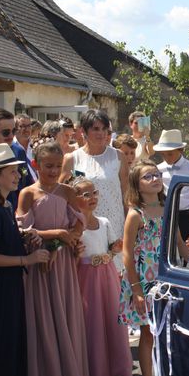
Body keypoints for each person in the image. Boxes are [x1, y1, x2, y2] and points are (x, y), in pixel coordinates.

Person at [118, 160, 189, 376]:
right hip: (143, 278)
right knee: (148, 332)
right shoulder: (135, 214)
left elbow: (179, 241)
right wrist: (136, 290)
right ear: (137, 184)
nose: (155, 179)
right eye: (148, 177)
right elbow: (127, 253)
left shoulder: (167, 207)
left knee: (168, 328)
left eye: (156, 175)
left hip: (166, 275)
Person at [18, 140, 91, 376]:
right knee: (44, 322)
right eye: (48, 166)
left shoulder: (67, 191)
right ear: (36, 165)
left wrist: (64, 240)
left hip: (63, 265)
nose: (53, 171)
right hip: (40, 265)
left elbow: (79, 223)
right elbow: (23, 231)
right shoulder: (27, 193)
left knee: (68, 317)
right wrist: (56, 234)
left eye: (58, 166)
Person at [0, 144, 49, 376]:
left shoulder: (4, 206)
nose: (19, 176)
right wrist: (25, 260)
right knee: (3, 345)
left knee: (13, 343)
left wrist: (24, 236)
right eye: (12, 172)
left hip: (9, 281)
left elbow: (5, 240)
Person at [74, 177, 132, 376]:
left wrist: (115, 248)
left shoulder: (104, 222)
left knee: (111, 320)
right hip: (86, 277)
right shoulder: (75, 227)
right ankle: (96, 375)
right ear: (75, 198)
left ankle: (114, 370)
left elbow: (112, 246)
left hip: (107, 274)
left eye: (94, 193)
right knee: (92, 323)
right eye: (85, 194)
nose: (92, 198)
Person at [61, 109, 128, 273]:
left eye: (104, 129)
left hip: (115, 224)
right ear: (83, 131)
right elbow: (63, 196)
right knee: (89, 276)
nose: (101, 133)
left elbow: (126, 195)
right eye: (95, 129)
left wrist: (128, 226)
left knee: (115, 275)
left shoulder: (118, 157)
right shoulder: (72, 159)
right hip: (86, 227)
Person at [154, 129, 189, 248]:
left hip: (187, 218)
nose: (166, 157)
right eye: (163, 154)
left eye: (170, 153)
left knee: (185, 253)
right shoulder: (158, 169)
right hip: (166, 217)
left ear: (180, 150)